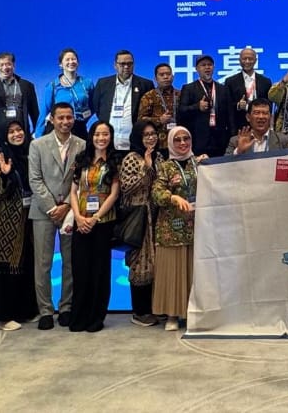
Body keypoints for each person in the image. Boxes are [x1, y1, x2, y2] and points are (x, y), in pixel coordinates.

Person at [27, 102, 83, 330]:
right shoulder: (37, 145)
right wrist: (52, 207)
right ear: (52, 119)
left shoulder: (82, 145)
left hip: (71, 211)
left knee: (70, 262)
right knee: (43, 263)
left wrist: (67, 205)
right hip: (43, 212)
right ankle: (45, 311)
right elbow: (35, 179)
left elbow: (82, 180)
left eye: (69, 117)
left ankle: (66, 307)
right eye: (61, 118)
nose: (65, 122)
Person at [66, 121, 118, 333]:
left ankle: (96, 317)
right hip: (81, 221)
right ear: (91, 136)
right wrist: (78, 217)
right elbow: (73, 191)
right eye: (97, 134)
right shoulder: (82, 159)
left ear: (110, 137)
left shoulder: (115, 161)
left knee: (99, 271)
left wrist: (95, 217)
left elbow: (114, 194)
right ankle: (79, 316)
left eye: (105, 134)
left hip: (103, 222)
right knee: (80, 270)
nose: (101, 138)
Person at [0, 121, 38, 330]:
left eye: (19, 130)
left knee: (25, 265)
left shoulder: (29, 155)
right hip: (6, 222)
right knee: (4, 268)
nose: (17, 134)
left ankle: (24, 311)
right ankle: (2, 316)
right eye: (11, 132)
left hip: (28, 220)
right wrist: (6, 175)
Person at [152, 126, 201, 331]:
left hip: (196, 227)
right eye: (177, 139)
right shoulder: (165, 166)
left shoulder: (199, 163)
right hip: (171, 228)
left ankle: (192, 314)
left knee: (194, 272)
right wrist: (172, 197)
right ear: (171, 143)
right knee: (173, 272)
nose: (182, 143)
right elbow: (156, 192)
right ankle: (172, 315)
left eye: (186, 138)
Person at [120, 120, 167, 326]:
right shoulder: (131, 158)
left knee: (157, 263)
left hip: (156, 215)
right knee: (139, 263)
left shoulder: (159, 156)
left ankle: (156, 307)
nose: (151, 138)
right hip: (138, 217)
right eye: (146, 134)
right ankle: (140, 312)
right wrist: (146, 168)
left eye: (153, 133)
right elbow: (126, 187)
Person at [91, 50, 154, 151]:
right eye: (122, 64)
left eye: (129, 64)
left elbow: (149, 112)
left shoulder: (145, 85)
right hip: (108, 142)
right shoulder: (103, 84)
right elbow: (97, 107)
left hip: (134, 141)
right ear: (115, 65)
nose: (126, 67)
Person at [0, 52, 38, 149]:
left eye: (8, 64)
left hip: (21, 134)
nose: (5, 67)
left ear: (13, 65)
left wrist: (37, 133)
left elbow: (34, 112)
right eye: (1, 65)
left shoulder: (27, 85)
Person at [178, 55, 232, 157]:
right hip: (198, 139)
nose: (207, 67)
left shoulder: (223, 89)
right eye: (203, 65)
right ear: (197, 69)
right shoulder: (189, 88)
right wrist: (197, 107)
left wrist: (232, 136)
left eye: (209, 65)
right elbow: (181, 111)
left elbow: (230, 114)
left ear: (213, 67)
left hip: (220, 139)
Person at [43, 48, 93, 133]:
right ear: (61, 65)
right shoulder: (52, 86)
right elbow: (44, 112)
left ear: (78, 62)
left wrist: (83, 118)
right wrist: (38, 135)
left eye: (73, 59)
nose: (71, 62)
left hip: (79, 126)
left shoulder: (87, 83)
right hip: (59, 128)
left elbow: (93, 106)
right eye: (67, 60)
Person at [222, 47, 272, 124]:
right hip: (239, 124)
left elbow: (269, 105)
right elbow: (227, 105)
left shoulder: (265, 82)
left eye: (250, 59)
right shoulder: (230, 82)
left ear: (255, 60)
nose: (247, 61)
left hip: (261, 123)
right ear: (239, 60)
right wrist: (238, 105)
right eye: (244, 59)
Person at [137, 63, 179, 148]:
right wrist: (159, 120)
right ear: (155, 78)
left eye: (168, 74)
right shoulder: (149, 96)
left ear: (173, 77)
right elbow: (141, 120)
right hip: (157, 143)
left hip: (179, 141)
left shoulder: (181, 94)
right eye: (162, 75)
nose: (165, 77)